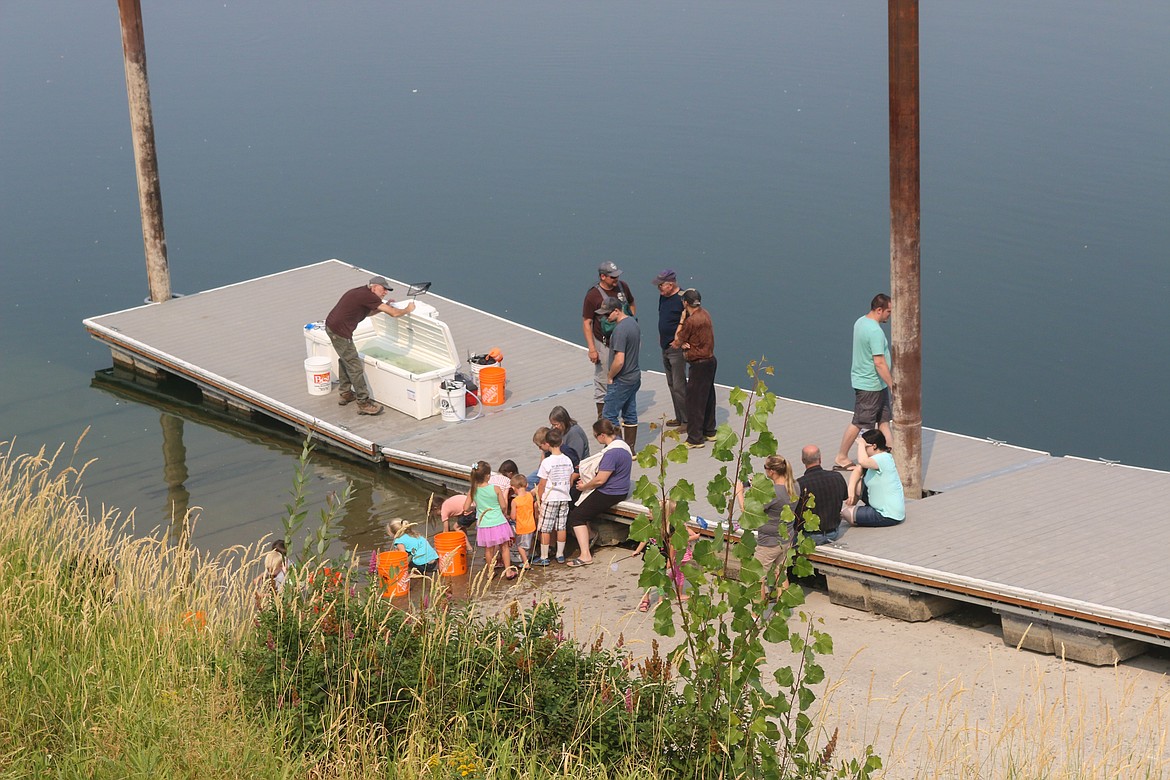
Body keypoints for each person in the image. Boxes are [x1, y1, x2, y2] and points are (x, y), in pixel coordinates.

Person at [324, 276, 417, 416]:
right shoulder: (368, 296)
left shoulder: (362, 293)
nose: (385, 292)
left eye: (387, 290)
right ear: (374, 287)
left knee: (346, 359)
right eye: (383, 289)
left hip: (333, 327)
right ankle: (363, 403)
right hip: (340, 332)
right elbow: (394, 313)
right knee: (354, 366)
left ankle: (345, 393)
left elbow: (367, 313)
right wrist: (407, 309)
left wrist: (382, 307)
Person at [834, 294, 894, 469]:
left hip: (876, 384)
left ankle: (890, 455)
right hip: (870, 385)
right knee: (860, 421)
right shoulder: (875, 331)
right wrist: (893, 385)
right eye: (888, 312)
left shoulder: (861, 322)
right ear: (879, 310)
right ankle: (841, 457)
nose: (890, 315)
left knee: (884, 420)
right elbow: (879, 362)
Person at [565, 419, 633, 567]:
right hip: (620, 487)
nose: (597, 439)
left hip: (611, 491)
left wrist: (585, 486)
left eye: (596, 436)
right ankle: (589, 535)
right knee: (577, 499)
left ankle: (585, 555)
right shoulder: (621, 443)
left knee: (577, 517)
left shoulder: (611, 454)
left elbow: (600, 480)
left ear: (602, 435)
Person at [581, 261, 636, 419]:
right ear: (602, 276)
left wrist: (630, 322)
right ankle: (603, 417)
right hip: (604, 344)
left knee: (624, 374)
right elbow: (587, 322)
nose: (616, 279)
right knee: (603, 379)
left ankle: (619, 409)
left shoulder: (622, 287)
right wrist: (592, 348)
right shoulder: (593, 296)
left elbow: (631, 303)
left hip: (624, 341)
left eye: (617, 275)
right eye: (612, 277)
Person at [596, 298, 642, 449]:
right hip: (634, 376)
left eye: (607, 314)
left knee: (609, 415)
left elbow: (619, 360)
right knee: (630, 413)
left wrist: (610, 376)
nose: (605, 318)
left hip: (622, 379)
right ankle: (630, 449)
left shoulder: (620, 330)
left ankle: (618, 449)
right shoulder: (633, 323)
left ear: (617, 310)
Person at [675, 288, 717, 449]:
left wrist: (681, 321)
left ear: (686, 303)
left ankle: (695, 438)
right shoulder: (705, 314)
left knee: (694, 401)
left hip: (699, 364)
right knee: (707, 396)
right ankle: (709, 430)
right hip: (710, 361)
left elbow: (677, 339)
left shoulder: (691, 321)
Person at [842, 430, 906, 527]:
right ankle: (855, 509)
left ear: (874, 446)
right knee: (858, 485)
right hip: (879, 505)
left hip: (887, 514)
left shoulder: (883, 459)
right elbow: (858, 470)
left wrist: (861, 444)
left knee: (845, 513)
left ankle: (854, 512)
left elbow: (862, 461)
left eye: (865, 448)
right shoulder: (878, 459)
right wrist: (850, 491)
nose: (863, 450)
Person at [755, 455, 798, 597]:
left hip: (769, 542)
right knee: (781, 574)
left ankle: (756, 616)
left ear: (772, 471)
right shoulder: (794, 485)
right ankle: (782, 610)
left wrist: (740, 493)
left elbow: (750, 512)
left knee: (756, 577)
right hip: (786, 537)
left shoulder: (773, 492)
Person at [464, 460, 516, 577]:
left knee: (489, 549)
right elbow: (503, 506)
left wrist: (475, 508)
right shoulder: (496, 488)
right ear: (488, 476)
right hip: (499, 521)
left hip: (484, 523)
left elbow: (466, 507)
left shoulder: (472, 490)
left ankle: (490, 572)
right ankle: (508, 571)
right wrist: (503, 512)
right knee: (504, 547)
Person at [534, 428, 574, 565]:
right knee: (561, 527)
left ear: (548, 444)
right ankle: (560, 554)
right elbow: (570, 479)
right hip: (564, 497)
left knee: (545, 528)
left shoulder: (547, 462)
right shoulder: (568, 460)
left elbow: (542, 484)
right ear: (561, 441)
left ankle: (544, 557)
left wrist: (539, 499)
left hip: (550, 497)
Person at [653, 269, 687, 428]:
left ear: (671, 284)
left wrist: (679, 341)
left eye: (661, 285)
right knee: (671, 383)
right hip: (665, 346)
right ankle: (679, 417)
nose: (659, 288)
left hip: (676, 348)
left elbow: (689, 323)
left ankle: (687, 421)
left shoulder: (683, 299)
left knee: (680, 386)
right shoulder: (663, 297)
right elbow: (663, 316)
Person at [795, 445, 848, 544]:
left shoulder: (799, 484)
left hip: (809, 536)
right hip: (833, 532)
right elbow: (845, 497)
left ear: (803, 460)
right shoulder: (837, 477)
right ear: (820, 459)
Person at [509, 473, 539, 570]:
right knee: (530, 541)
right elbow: (536, 490)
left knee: (520, 546)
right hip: (532, 525)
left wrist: (509, 516)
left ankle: (525, 562)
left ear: (513, 488)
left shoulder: (515, 501)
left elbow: (513, 517)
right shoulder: (530, 495)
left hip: (522, 527)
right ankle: (531, 555)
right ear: (526, 485)